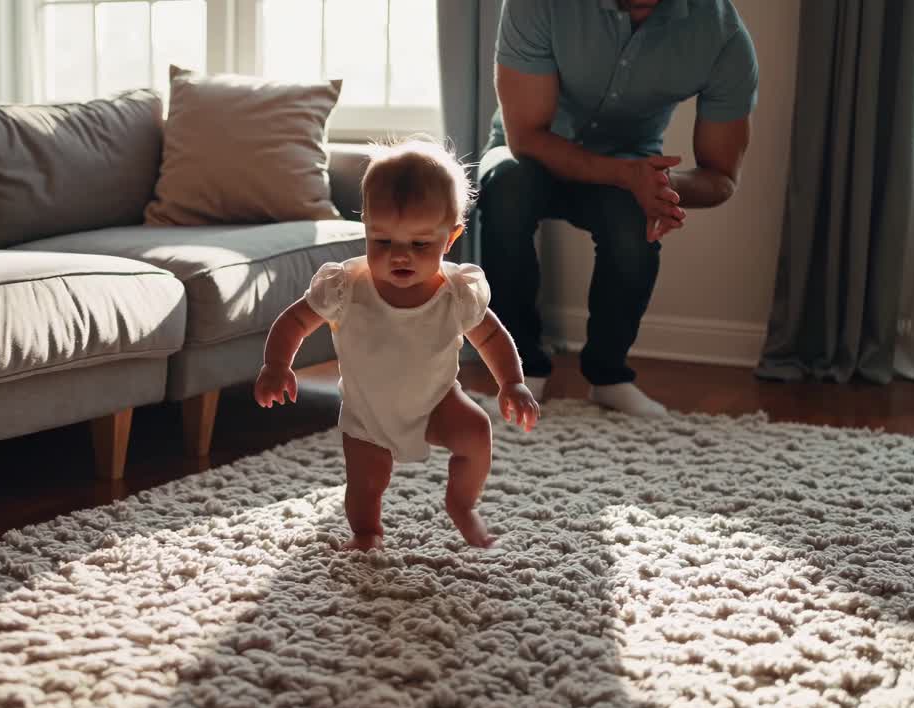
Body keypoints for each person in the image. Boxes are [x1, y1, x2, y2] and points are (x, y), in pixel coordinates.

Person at [254, 138, 540, 550]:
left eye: (420, 244)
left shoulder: (455, 292)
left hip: (436, 401)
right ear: (367, 227)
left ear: (450, 237)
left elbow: (491, 334)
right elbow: (296, 320)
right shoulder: (345, 288)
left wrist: (511, 381)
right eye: (383, 241)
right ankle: (366, 532)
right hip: (368, 414)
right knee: (367, 484)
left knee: (476, 432)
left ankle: (461, 504)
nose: (400, 256)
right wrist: (277, 364)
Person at [480, 0, 757, 417]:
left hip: (628, 162)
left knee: (633, 224)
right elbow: (526, 138)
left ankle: (608, 376)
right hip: (529, 152)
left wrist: (660, 187)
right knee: (505, 187)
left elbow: (721, 175)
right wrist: (629, 177)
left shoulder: (722, 35)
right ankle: (520, 372)